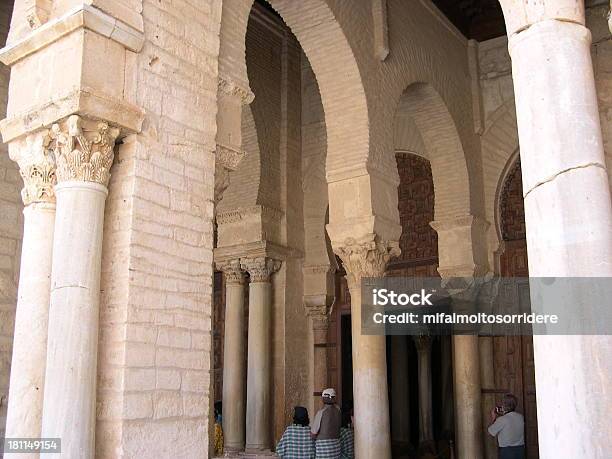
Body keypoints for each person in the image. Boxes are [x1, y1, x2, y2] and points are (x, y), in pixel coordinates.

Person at [487, 393, 525, 459]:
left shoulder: (502, 419)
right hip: (520, 449)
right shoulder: (520, 417)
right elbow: (510, 422)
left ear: (504, 405)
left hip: (507, 451)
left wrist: (494, 418)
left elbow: (490, 432)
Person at [311, 388, 342, 459]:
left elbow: (313, 434)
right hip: (336, 446)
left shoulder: (321, 412)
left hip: (324, 448)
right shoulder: (338, 411)